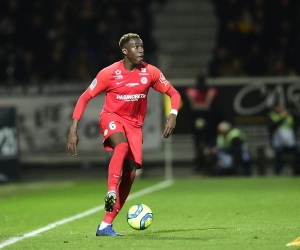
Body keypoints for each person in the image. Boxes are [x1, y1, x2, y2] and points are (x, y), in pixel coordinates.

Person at [66, 33, 181, 236]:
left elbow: (174, 93)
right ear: (125, 51)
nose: (140, 49)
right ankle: (111, 189)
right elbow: (84, 98)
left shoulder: (150, 72)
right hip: (111, 117)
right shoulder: (108, 73)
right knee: (122, 146)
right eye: (135, 47)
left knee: (130, 175)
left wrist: (173, 115)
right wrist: (73, 129)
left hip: (134, 126)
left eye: (142, 46)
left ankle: (105, 225)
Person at [184, 73, 219, 175]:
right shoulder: (191, 92)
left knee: (208, 145)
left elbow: (208, 106)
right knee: (199, 145)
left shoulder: (211, 91)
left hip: (209, 122)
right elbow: (193, 106)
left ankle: (209, 166)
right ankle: (200, 166)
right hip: (196, 122)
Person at [266, 103, 300, 175]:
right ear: (274, 108)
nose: (280, 109)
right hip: (278, 143)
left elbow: (296, 120)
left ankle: (296, 172)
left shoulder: (289, 116)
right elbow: (271, 126)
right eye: (278, 107)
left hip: (289, 143)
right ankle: (278, 172)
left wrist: (291, 112)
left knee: (298, 153)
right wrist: (282, 118)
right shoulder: (271, 116)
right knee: (279, 157)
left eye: (281, 107)